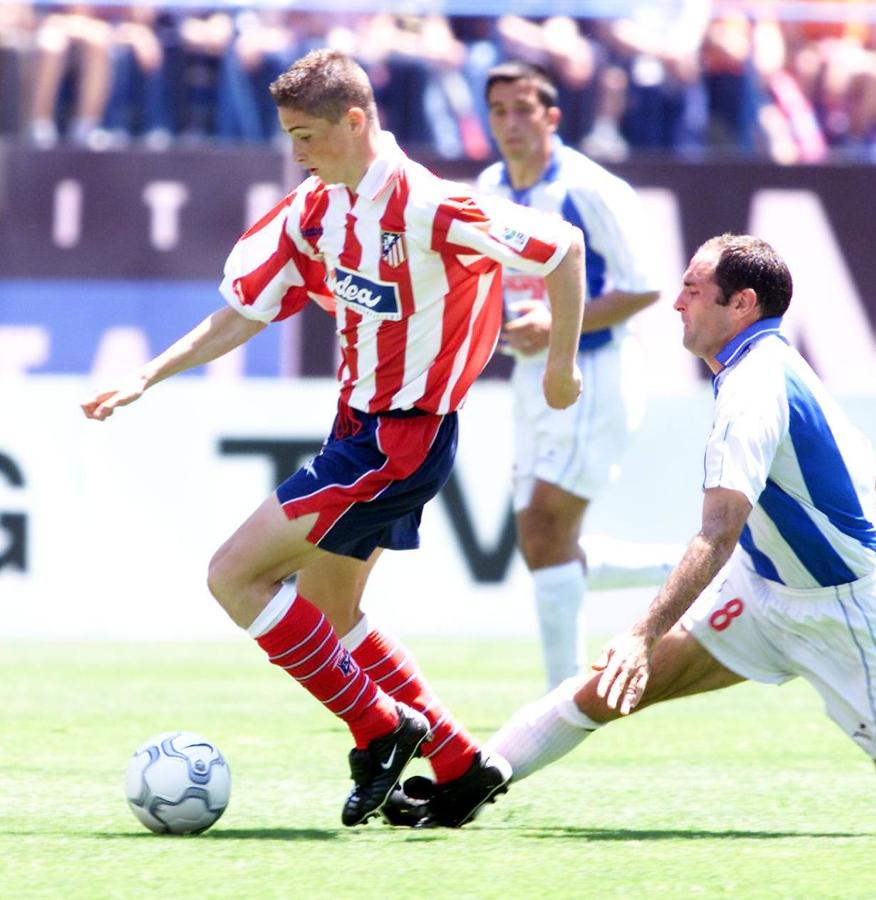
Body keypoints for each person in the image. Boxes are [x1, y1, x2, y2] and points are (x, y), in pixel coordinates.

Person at [81, 48, 585, 830]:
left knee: (233, 578)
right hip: (362, 427)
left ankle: (380, 728)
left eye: (306, 135)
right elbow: (246, 309)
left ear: (355, 121)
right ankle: (458, 766)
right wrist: (149, 375)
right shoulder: (316, 207)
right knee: (327, 605)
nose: (296, 153)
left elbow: (560, 249)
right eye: (289, 135)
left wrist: (560, 366)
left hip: (401, 441)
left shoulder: (427, 204)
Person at [481, 234, 876, 834]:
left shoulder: (754, 387)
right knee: (605, 690)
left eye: (692, 290)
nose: (676, 304)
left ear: (741, 304)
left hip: (850, 616)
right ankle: (475, 777)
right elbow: (871, 472)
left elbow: (717, 535)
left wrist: (641, 634)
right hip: (761, 595)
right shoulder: (766, 362)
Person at [476, 61, 662, 691]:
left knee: (548, 529)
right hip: (532, 374)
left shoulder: (590, 189)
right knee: (541, 541)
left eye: (523, 109)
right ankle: (704, 567)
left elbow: (645, 286)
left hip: (594, 371)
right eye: (498, 110)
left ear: (551, 117)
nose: (511, 123)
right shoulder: (488, 185)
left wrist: (557, 322)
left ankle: (561, 698)